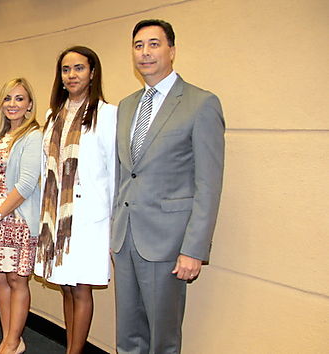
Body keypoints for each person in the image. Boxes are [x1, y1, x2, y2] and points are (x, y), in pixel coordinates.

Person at [112, 19, 225, 353]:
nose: (145, 53)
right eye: (138, 45)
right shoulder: (127, 105)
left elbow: (209, 183)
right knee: (128, 333)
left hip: (168, 243)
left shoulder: (200, 103)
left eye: (154, 44)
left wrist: (194, 248)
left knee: (163, 337)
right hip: (126, 237)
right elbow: (125, 174)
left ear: (172, 51)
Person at [34, 46, 116, 354]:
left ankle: (75, 352)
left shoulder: (107, 114)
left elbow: (114, 172)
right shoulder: (52, 116)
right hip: (55, 217)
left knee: (81, 287)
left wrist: (112, 223)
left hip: (89, 218)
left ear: (92, 72)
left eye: (79, 68)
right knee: (66, 286)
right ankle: (71, 346)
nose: (72, 75)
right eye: (66, 69)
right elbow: (46, 169)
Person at [0, 78, 42, 354]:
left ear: (29, 104)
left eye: (19, 98)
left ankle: (13, 340)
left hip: (17, 217)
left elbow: (27, 183)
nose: (13, 104)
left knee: (17, 279)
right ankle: (10, 338)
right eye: (8, 98)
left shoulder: (32, 136)